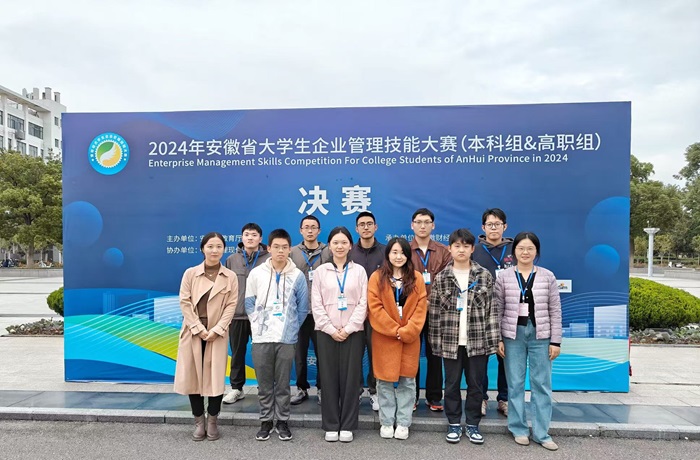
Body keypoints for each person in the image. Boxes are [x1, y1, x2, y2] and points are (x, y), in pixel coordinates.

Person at [428, 229, 498, 444]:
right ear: (450, 248)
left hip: (477, 341)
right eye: (457, 246)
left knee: (476, 385)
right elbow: (434, 314)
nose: (461, 250)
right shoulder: (442, 277)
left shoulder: (484, 275)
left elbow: (492, 311)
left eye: (466, 246)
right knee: (451, 385)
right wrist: (436, 343)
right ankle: (454, 423)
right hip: (450, 342)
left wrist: (492, 342)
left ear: (472, 249)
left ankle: (473, 425)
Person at [495, 231, 562, 451]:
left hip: (540, 334)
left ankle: (542, 433)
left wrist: (556, 341)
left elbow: (555, 310)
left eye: (530, 248)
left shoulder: (547, 276)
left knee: (541, 384)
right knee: (515, 383)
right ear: (514, 251)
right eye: (521, 248)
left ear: (536, 251)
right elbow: (498, 310)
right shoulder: (504, 276)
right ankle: (518, 429)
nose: (525, 252)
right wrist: (498, 338)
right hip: (512, 334)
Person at [245, 228, 309, 441]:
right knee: (264, 384)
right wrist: (258, 325)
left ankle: (282, 421)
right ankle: (265, 421)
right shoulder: (257, 274)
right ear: (269, 248)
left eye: (284, 247)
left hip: (286, 339)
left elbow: (303, 308)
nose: (280, 251)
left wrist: (291, 328)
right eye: (276, 247)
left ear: (290, 249)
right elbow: (249, 302)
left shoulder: (297, 276)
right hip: (261, 337)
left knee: (283, 384)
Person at [174, 232, 238, 441]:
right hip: (193, 332)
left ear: (224, 249)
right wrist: (197, 328)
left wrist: (217, 329)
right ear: (202, 249)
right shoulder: (190, 274)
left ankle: (212, 421)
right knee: (193, 378)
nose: (214, 250)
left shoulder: (230, 276)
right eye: (210, 246)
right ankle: (198, 422)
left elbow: (231, 305)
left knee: (215, 378)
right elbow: (184, 302)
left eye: (219, 246)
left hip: (216, 333)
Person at [311, 226, 368, 443]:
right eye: (335, 242)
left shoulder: (359, 271)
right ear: (329, 246)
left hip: (353, 333)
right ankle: (331, 424)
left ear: (350, 245)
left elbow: (363, 303)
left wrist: (349, 328)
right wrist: (331, 329)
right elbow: (316, 304)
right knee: (328, 379)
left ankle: (348, 425)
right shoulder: (320, 271)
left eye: (344, 242)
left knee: (351, 380)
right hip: (326, 333)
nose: (340, 246)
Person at [367, 237, 427, 440]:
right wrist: (395, 330)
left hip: (409, 338)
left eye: (402, 252)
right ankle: (386, 421)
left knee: (407, 382)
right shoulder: (377, 277)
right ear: (388, 255)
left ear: (408, 255)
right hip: (385, 338)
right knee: (384, 382)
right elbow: (375, 308)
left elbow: (420, 308)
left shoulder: (417, 278)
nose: (398, 256)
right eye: (394, 252)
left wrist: (408, 331)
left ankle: (403, 422)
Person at [472, 208, 514, 417]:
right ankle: (481, 397)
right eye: (490, 224)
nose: (494, 228)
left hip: (509, 311)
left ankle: (504, 399)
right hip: (482, 312)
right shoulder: (475, 251)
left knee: (506, 358)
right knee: (481, 358)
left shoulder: (515, 249)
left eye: (497, 224)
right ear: (483, 227)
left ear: (504, 226)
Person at [223, 223, 270, 404]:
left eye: (254, 235)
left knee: (263, 354)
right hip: (238, 315)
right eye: (247, 234)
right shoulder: (232, 260)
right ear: (241, 238)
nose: (250, 238)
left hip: (261, 316)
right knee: (237, 354)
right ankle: (237, 388)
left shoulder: (269, 259)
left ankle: (265, 388)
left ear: (260, 238)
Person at [409, 208, 452, 411]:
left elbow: (448, 281)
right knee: (412, 354)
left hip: (437, 311)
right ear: (412, 225)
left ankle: (434, 397)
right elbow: (402, 279)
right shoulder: (405, 251)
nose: (422, 226)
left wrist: (430, 301)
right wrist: (419, 302)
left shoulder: (444, 252)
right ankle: (411, 396)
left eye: (427, 222)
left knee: (435, 354)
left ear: (433, 225)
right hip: (412, 311)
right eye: (418, 222)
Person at [290, 215, 331, 405]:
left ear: (319, 230)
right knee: (300, 354)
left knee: (323, 353)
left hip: (321, 312)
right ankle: (301, 389)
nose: (310, 230)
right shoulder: (292, 252)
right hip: (299, 312)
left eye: (313, 227)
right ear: (300, 230)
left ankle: (322, 389)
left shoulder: (328, 252)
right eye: (306, 227)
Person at [349, 211, 385, 411]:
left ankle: (374, 391)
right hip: (353, 313)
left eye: (369, 223)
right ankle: (354, 391)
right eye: (361, 224)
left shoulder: (385, 252)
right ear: (356, 229)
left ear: (376, 227)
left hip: (376, 313)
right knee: (354, 354)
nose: (365, 227)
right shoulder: (349, 252)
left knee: (374, 354)